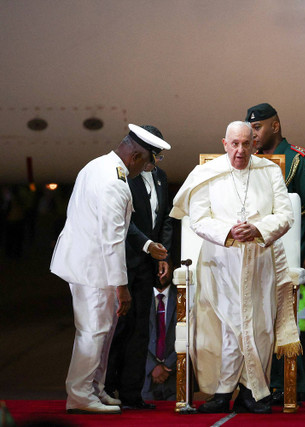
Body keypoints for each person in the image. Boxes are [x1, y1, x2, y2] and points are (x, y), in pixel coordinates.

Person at [170, 121, 301, 414]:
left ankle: (247, 393)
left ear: (254, 144)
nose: (240, 151)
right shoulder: (207, 174)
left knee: (260, 326)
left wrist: (257, 228)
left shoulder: (269, 172)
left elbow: (285, 215)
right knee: (229, 328)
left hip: (260, 259)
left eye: (246, 144)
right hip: (221, 260)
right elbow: (198, 219)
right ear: (224, 143)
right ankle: (227, 391)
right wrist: (229, 232)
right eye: (234, 144)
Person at [50, 124, 171, 414]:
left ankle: (95, 388)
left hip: (86, 261)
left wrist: (144, 247)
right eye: (146, 162)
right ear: (136, 156)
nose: (144, 169)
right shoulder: (115, 183)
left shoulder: (97, 165)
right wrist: (122, 288)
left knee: (102, 330)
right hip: (94, 267)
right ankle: (80, 395)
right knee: (93, 331)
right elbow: (112, 241)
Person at [245, 102, 305, 402]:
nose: (253, 134)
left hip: (290, 252)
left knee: (285, 319)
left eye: (257, 127)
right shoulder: (251, 160)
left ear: (274, 126)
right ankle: (260, 383)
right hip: (257, 253)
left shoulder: (297, 159)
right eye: (250, 128)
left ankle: (290, 384)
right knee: (258, 319)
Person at [105, 125, 173, 410]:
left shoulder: (160, 178)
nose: (152, 163)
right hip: (124, 262)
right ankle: (106, 389)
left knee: (140, 331)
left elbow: (165, 218)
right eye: (150, 156)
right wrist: (148, 246)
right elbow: (124, 223)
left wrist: (163, 256)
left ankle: (132, 392)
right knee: (118, 328)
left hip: (148, 264)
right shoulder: (122, 177)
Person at [142, 269, 178, 401]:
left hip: (176, 376)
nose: (160, 272)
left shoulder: (183, 296)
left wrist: (167, 365)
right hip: (145, 377)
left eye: (164, 267)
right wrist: (152, 366)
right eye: (155, 267)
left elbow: (191, 335)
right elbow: (133, 337)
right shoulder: (139, 297)